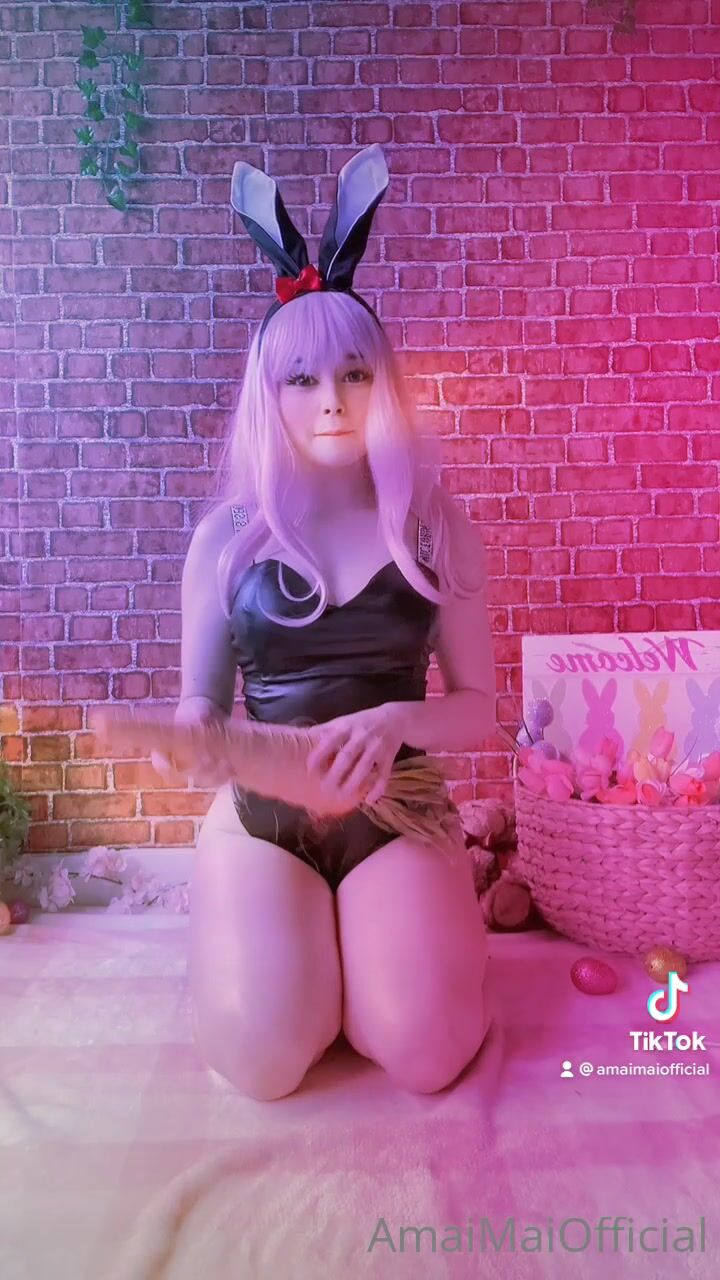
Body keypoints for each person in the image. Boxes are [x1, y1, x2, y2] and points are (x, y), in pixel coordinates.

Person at [157, 146, 496, 1100]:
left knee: (428, 1053)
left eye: (353, 374)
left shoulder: (435, 526)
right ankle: (300, 952)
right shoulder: (224, 540)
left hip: (398, 809)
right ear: (268, 395)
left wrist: (396, 721)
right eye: (301, 380)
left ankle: (363, 956)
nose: (332, 402)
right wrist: (195, 733)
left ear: (383, 383)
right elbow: (198, 700)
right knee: (263, 1062)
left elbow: (479, 707)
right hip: (266, 815)